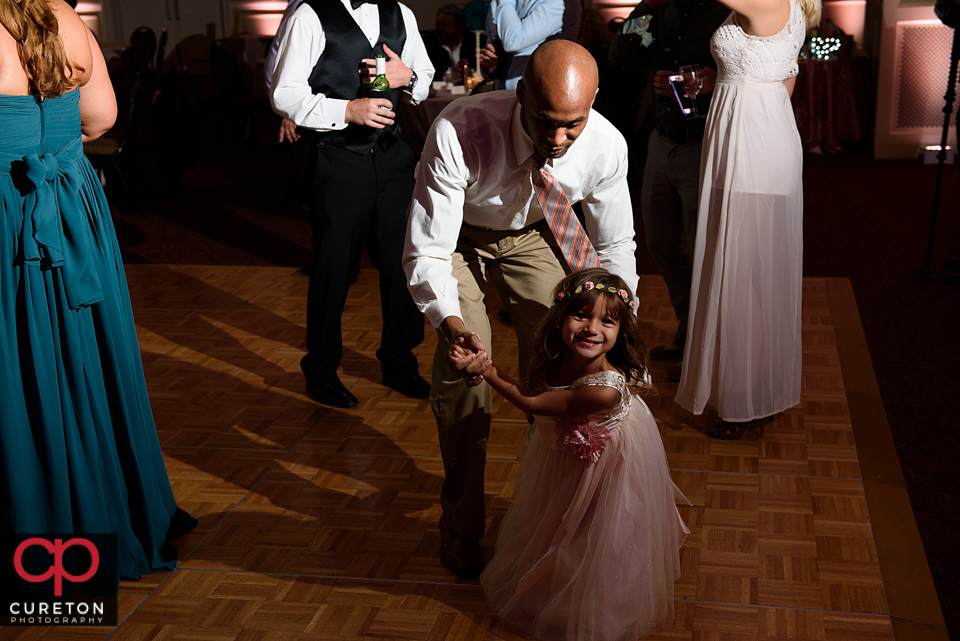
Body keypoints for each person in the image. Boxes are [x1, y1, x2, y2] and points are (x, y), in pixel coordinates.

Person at [403, 40, 639, 577]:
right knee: (467, 375)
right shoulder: (460, 129)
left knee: (563, 362)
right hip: (459, 237)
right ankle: (462, 525)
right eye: (543, 121)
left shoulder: (606, 144)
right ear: (520, 92)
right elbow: (428, 250)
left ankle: (541, 515)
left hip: (535, 233)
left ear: (595, 99)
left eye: (571, 125)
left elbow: (616, 245)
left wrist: (616, 317)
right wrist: (454, 326)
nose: (556, 140)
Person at [0, 0, 195, 592]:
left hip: (11, 214)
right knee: (83, 359)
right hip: (71, 207)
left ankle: (40, 534)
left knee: (16, 366)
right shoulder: (63, 15)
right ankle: (107, 514)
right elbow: (102, 119)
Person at [455, 269, 688, 641]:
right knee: (561, 519)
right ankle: (556, 590)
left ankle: (601, 608)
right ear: (561, 316)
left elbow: (531, 400)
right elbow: (535, 387)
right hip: (568, 452)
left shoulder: (605, 391)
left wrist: (485, 369)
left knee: (600, 531)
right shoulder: (558, 357)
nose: (591, 328)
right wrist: (480, 370)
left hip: (611, 461)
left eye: (607, 321)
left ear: (620, 331)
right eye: (581, 315)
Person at [269, 0, 434, 408]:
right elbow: (284, 93)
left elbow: (425, 77)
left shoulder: (401, 14)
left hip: (393, 156)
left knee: (403, 262)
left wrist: (408, 77)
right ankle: (321, 369)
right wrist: (346, 109)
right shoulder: (309, 14)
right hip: (337, 157)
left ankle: (399, 361)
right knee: (334, 268)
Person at [675, 0, 820, 438]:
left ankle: (746, 400)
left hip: (754, 151)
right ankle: (748, 390)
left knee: (743, 277)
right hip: (748, 140)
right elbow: (786, 77)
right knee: (742, 273)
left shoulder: (771, 1)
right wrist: (724, 85)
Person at [608, 0, 730, 369]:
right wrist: (646, 5)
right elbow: (620, 54)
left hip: (704, 143)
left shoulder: (726, 9)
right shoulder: (661, 9)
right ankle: (689, 325)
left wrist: (710, 82)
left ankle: (704, 346)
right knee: (660, 242)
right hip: (660, 141)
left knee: (701, 249)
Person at [479, 0, 567, 90]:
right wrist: (487, 65)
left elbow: (513, 42)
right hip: (500, 95)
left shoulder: (556, 2)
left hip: (533, 98)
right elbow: (489, 67)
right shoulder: (497, 2)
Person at [422, 4, 476, 82]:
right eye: (438, 23)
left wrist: (468, 71)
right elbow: (427, 75)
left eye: (446, 25)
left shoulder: (472, 41)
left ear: (459, 27)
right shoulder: (428, 43)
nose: (440, 28)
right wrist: (451, 74)